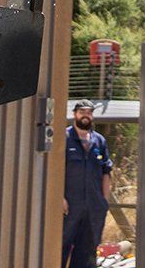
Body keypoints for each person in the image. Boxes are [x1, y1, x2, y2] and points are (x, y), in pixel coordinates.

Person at [63, 99, 114, 268]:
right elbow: (55, 170)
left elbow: (106, 172)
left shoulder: (99, 141)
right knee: (61, 247)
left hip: (93, 208)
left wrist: (104, 201)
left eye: (89, 113)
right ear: (75, 114)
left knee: (87, 252)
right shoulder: (65, 138)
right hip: (69, 207)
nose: (86, 116)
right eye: (82, 112)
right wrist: (60, 197)